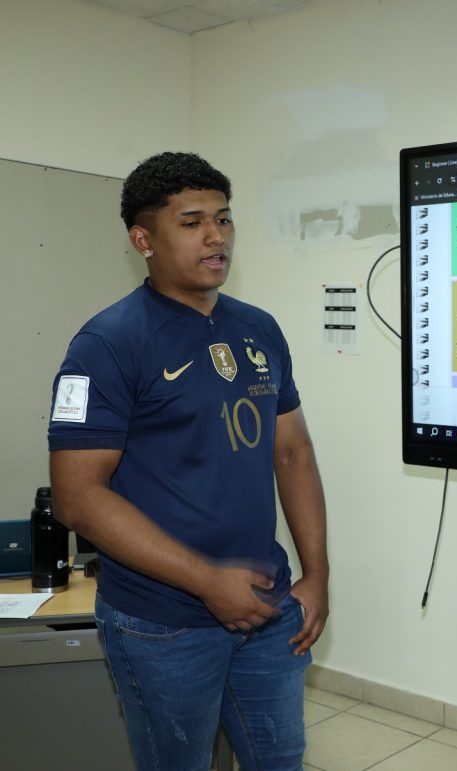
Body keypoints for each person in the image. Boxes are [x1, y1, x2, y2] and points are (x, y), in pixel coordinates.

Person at [48, 152, 329, 771]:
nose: (215, 237)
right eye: (192, 222)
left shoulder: (259, 329)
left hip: (266, 607)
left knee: (280, 760)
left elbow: (292, 451)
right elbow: (78, 498)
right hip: (162, 624)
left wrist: (316, 574)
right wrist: (207, 583)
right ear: (143, 240)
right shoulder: (107, 343)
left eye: (223, 219)